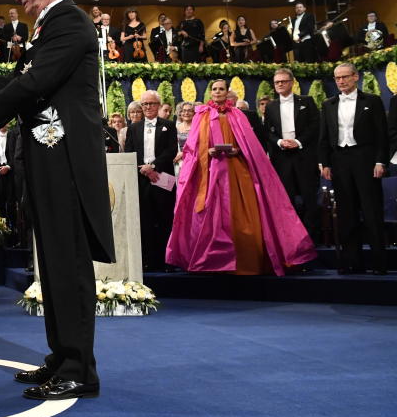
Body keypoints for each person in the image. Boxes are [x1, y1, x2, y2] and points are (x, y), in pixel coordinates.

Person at [0, 0, 115, 401]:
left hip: (66, 164)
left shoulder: (71, 22)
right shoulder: (52, 26)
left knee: (68, 264)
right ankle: (62, 358)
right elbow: (26, 78)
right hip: (48, 162)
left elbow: (36, 82)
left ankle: (80, 369)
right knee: (53, 264)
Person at [166, 80, 316, 275]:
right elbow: (192, 146)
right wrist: (207, 150)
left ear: (227, 92)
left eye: (221, 89)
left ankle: (245, 260)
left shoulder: (237, 114)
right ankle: (212, 261)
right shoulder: (201, 115)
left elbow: (250, 145)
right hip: (210, 171)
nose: (218, 92)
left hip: (236, 168)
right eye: (214, 89)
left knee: (243, 212)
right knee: (211, 215)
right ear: (210, 93)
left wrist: (237, 150)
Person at [318, 63, 388, 274]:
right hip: (340, 161)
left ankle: (379, 262)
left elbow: (382, 136)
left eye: (345, 77)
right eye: (337, 78)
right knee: (347, 213)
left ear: (355, 77)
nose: (341, 81)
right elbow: (323, 137)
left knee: (371, 211)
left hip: (366, 160)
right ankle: (352, 262)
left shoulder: (372, 101)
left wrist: (380, 161)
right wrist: (325, 163)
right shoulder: (328, 104)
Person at [263, 69, 321, 241]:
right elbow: (267, 132)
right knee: (286, 200)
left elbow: (315, 126)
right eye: (277, 82)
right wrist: (280, 142)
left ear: (292, 82)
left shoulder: (307, 101)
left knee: (309, 198)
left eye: (283, 81)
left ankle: (312, 238)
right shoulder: (271, 106)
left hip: (305, 156)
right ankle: (290, 238)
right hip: (282, 159)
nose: (280, 84)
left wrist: (298, 141)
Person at [124, 91, 178, 271]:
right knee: (144, 220)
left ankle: (166, 260)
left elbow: (171, 151)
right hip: (141, 179)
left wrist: (153, 167)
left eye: (152, 104)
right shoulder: (133, 128)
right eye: (145, 104)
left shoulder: (169, 125)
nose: (148, 107)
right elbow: (130, 152)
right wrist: (145, 170)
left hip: (163, 177)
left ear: (159, 105)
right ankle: (147, 261)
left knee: (164, 218)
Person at [174, 101, 195, 170]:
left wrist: (184, 153)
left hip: (193, 160)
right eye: (184, 111)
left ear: (194, 113)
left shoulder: (197, 128)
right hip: (178, 161)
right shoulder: (175, 127)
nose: (186, 113)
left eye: (189, 111)